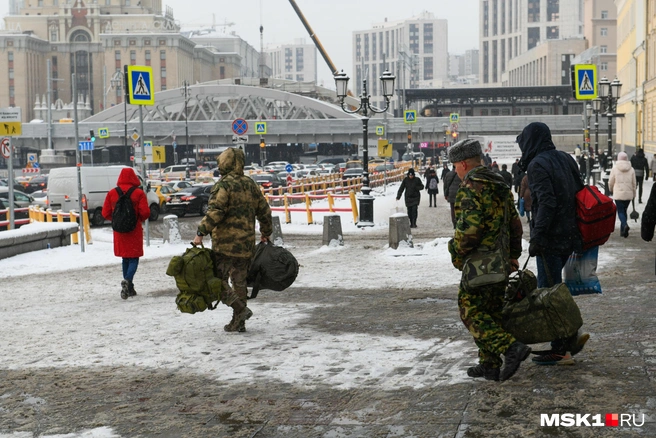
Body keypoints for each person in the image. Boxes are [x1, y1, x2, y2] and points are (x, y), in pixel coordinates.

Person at [446, 139, 529, 382]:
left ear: (463, 163)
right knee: (491, 311)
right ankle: (489, 364)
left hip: (480, 264)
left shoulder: (471, 187)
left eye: (455, 166)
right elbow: (515, 224)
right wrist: (513, 255)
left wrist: (455, 252)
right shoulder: (499, 183)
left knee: (469, 311)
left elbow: (469, 232)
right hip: (501, 261)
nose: (455, 171)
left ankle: (511, 348)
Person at [516, 122, 590, 365]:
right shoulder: (566, 158)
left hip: (550, 238)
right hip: (570, 234)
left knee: (547, 293)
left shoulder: (537, 165)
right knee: (555, 290)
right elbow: (580, 192)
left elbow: (546, 202)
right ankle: (568, 339)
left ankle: (563, 346)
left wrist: (537, 237)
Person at [193, 147, 273, 333]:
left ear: (224, 163)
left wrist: (201, 232)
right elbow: (264, 211)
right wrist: (266, 232)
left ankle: (240, 310)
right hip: (245, 244)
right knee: (240, 282)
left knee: (216, 280)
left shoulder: (224, 186)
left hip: (224, 245)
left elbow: (215, 212)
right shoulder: (250, 184)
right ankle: (239, 322)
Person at [101, 168, 151, 300]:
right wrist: (136, 219)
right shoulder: (138, 193)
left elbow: (105, 213)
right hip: (133, 230)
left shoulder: (112, 193)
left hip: (119, 231)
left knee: (125, 258)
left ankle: (129, 287)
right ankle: (128, 280)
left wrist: (118, 220)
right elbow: (145, 213)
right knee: (134, 257)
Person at [609, 152, 636, 238]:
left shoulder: (615, 168)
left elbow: (611, 181)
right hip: (628, 194)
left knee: (620, 211)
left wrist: (611, 189)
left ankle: (624, 225)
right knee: (624, 211)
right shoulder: (631, 169)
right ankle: (623, 232)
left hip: (618, 193)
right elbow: (634, 183)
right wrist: (634, 193)